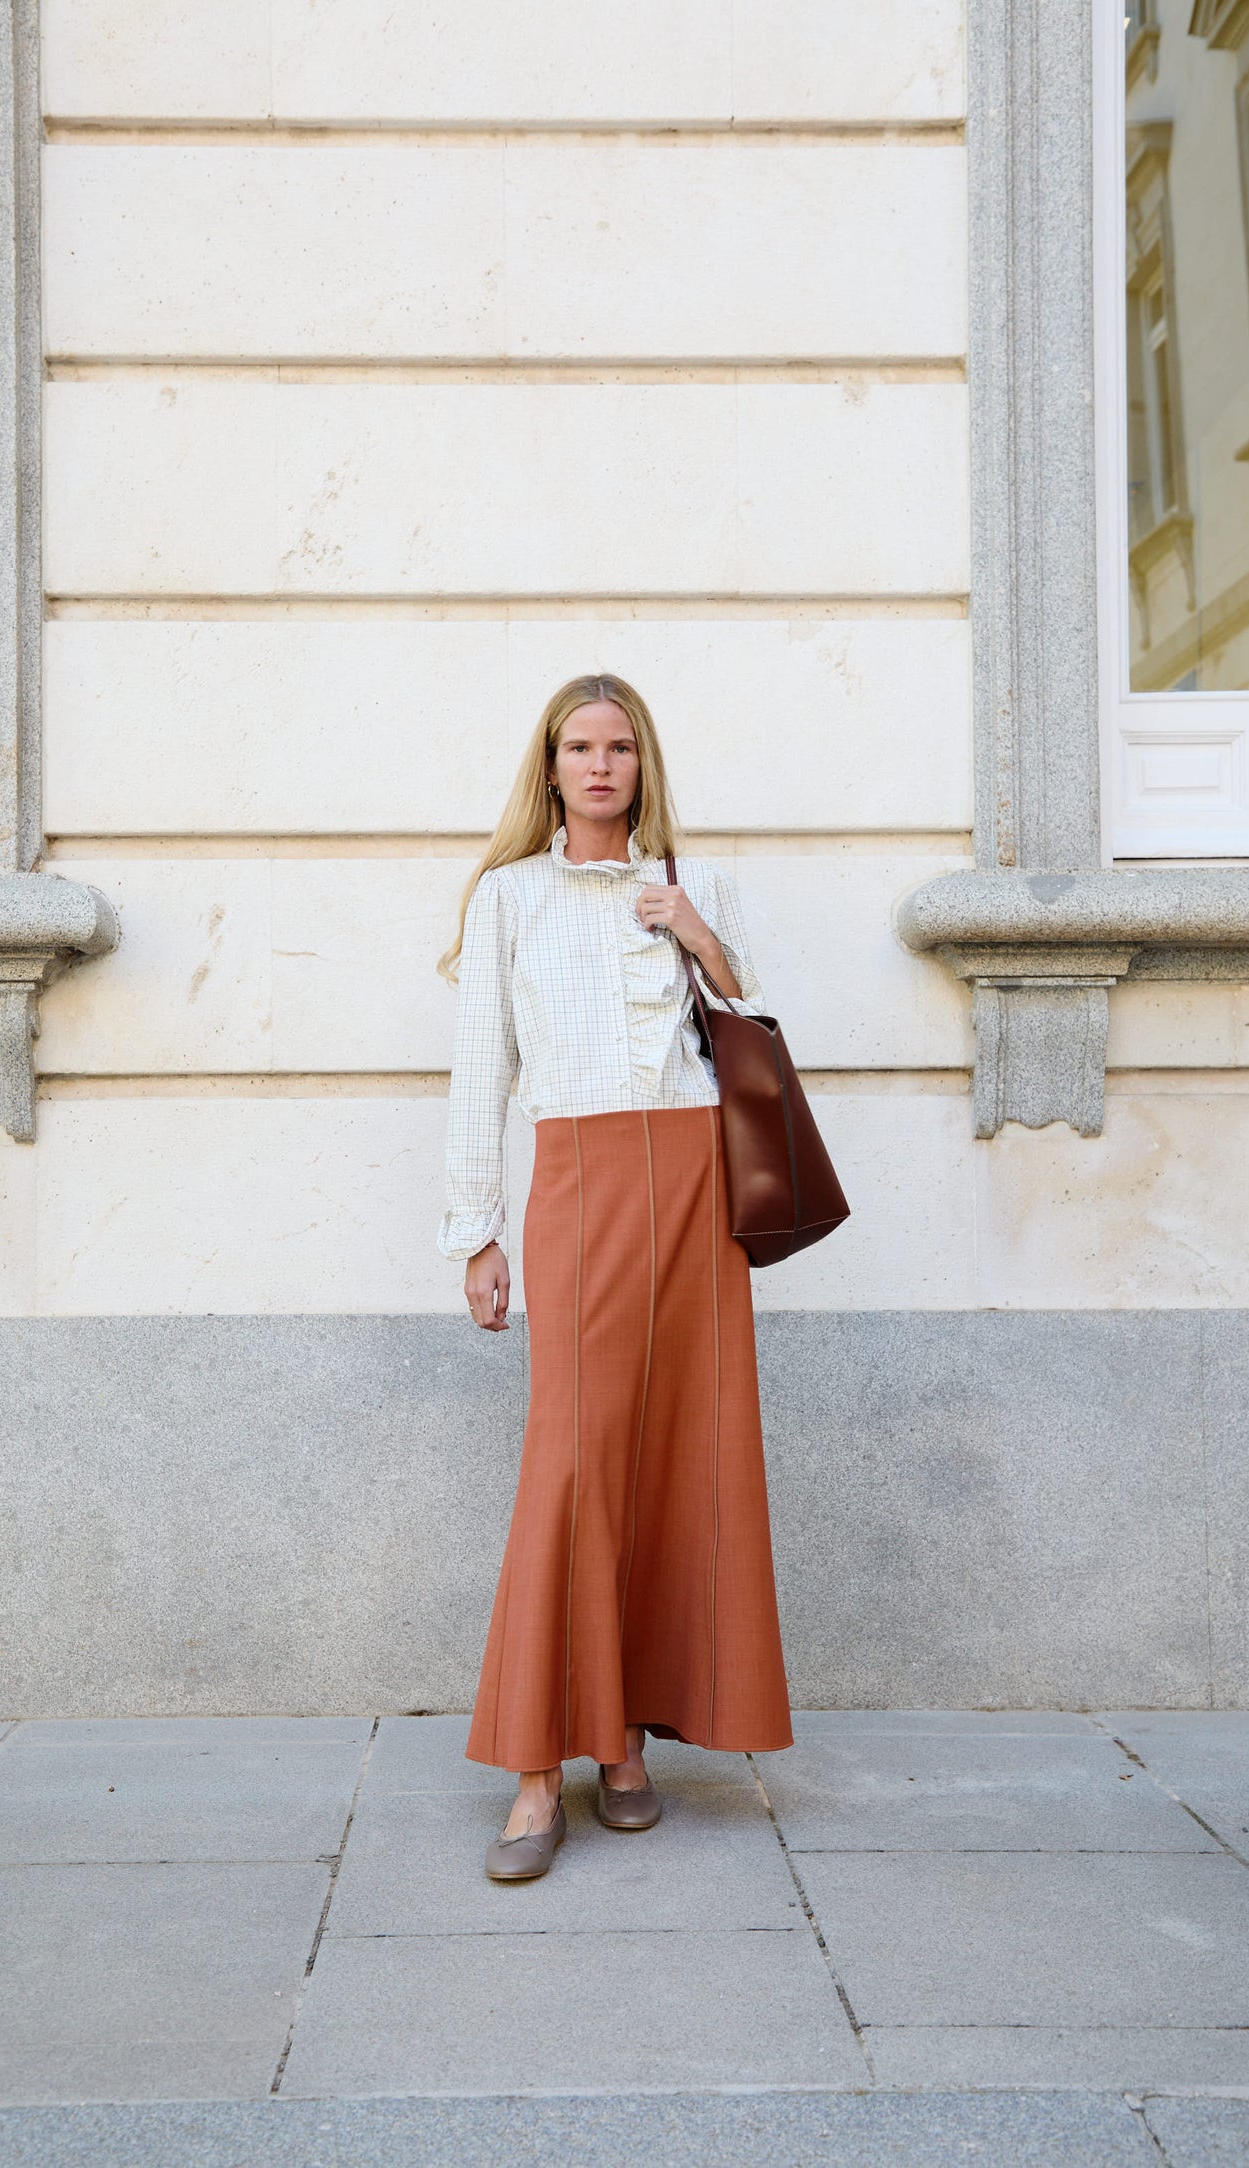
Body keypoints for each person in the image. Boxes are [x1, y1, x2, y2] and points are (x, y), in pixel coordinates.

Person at [438, 673, 792, 1880]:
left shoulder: (694, 884)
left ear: (642, 764)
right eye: (578, 747)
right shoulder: (508, 897)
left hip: (694, 1183)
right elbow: (479, 1063)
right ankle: (538, 1770)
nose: (599, 766)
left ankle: (626, 1746)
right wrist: (472, 1231)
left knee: (677, 1454)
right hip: (578, 1182)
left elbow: (755, 1012)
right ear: (548, 768)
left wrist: (690, 929)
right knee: (575, 1456)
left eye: (619, 746)